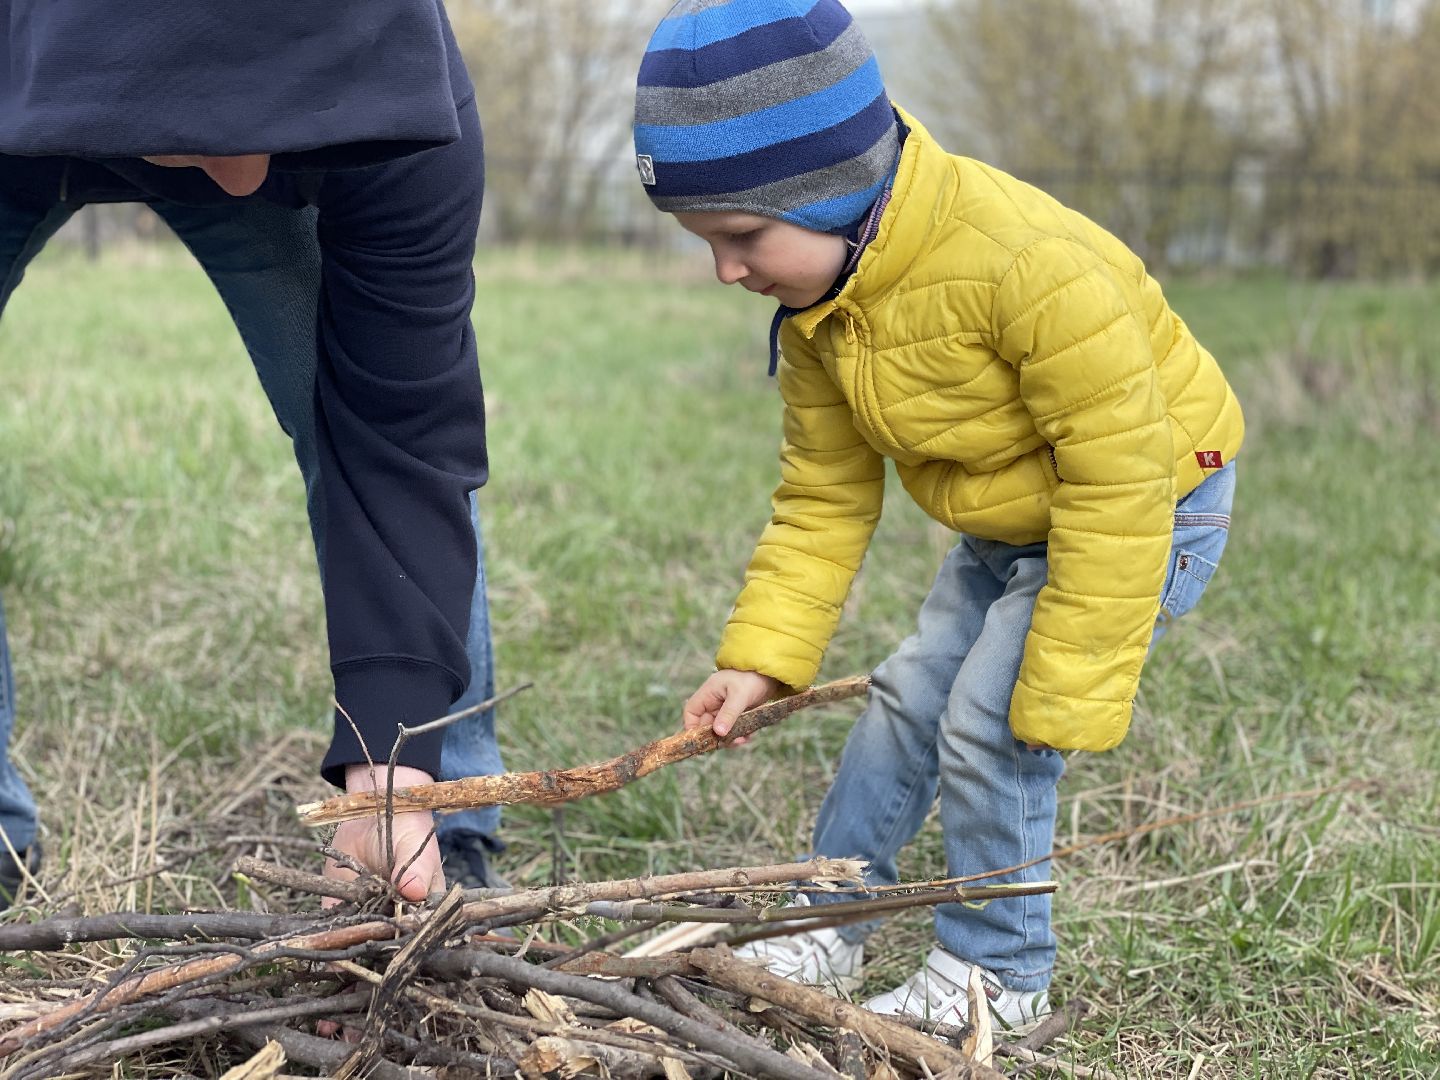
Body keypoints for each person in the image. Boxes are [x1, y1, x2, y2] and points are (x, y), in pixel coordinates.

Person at [634, 0, 1244, 1028]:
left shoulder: (1026, 262)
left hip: (1148, 502)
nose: (726, 270)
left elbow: (1117, 474)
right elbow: (824, 497)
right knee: (907, 699)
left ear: (833, 189)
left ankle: (996, 975)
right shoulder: (822, 314)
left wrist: (1061, 686)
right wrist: (762, 656)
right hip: (1017, 519)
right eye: (707, 242)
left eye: (742, 236)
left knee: (989, 721)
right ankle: (826, 919)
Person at [0, 0, 510, 910]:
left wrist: (393, 773)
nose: (239, 182)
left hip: (331, 127)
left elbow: (400, 437)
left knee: (350, 412)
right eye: (205, 140)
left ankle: (446, 805)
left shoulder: (402, 104)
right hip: (31, 84)